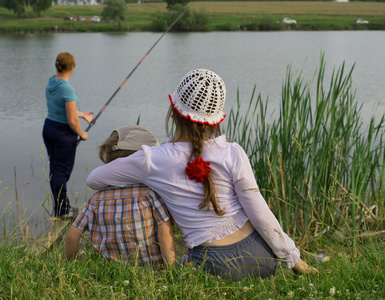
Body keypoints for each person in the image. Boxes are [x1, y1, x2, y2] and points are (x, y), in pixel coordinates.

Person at [86, 69, 317, 280]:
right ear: (215, 119)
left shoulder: (151, 159)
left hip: (214, 264)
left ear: (173, 110)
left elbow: (94, 179)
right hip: (262, 257)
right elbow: (260, 212)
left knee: (182, 272)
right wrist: (293, 259)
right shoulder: (233, 152)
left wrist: (143, 178)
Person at [65, 125, 176, 269]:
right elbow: (165, 234)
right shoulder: (150, 195)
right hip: (151, 270)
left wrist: (72, 266)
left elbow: (72, 235)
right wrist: (171, 271)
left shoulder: (96, 200)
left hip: (109, 272)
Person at [42, 52, 94, 217]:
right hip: (63, 133)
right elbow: (71, 121)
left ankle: (60, 208)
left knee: (55, 170)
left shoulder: (52, 81)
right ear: (72, 67)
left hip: (49, 127)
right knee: (62, 172)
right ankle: (63, 210)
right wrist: (82, 134)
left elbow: (62, 108)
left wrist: (82, 114)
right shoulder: (67, 88)